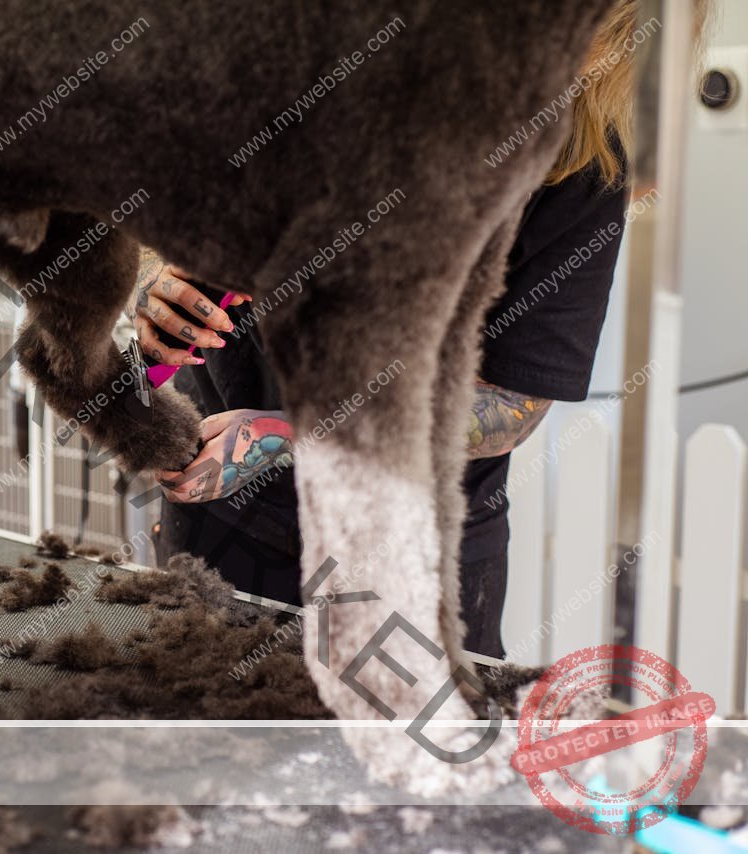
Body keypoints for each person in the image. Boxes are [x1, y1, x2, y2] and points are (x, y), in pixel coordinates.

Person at [131, 3, 648, 659]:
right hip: (221, 527)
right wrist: (157, 291)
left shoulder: (581, 171)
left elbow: (513, 405)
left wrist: (287, 434)